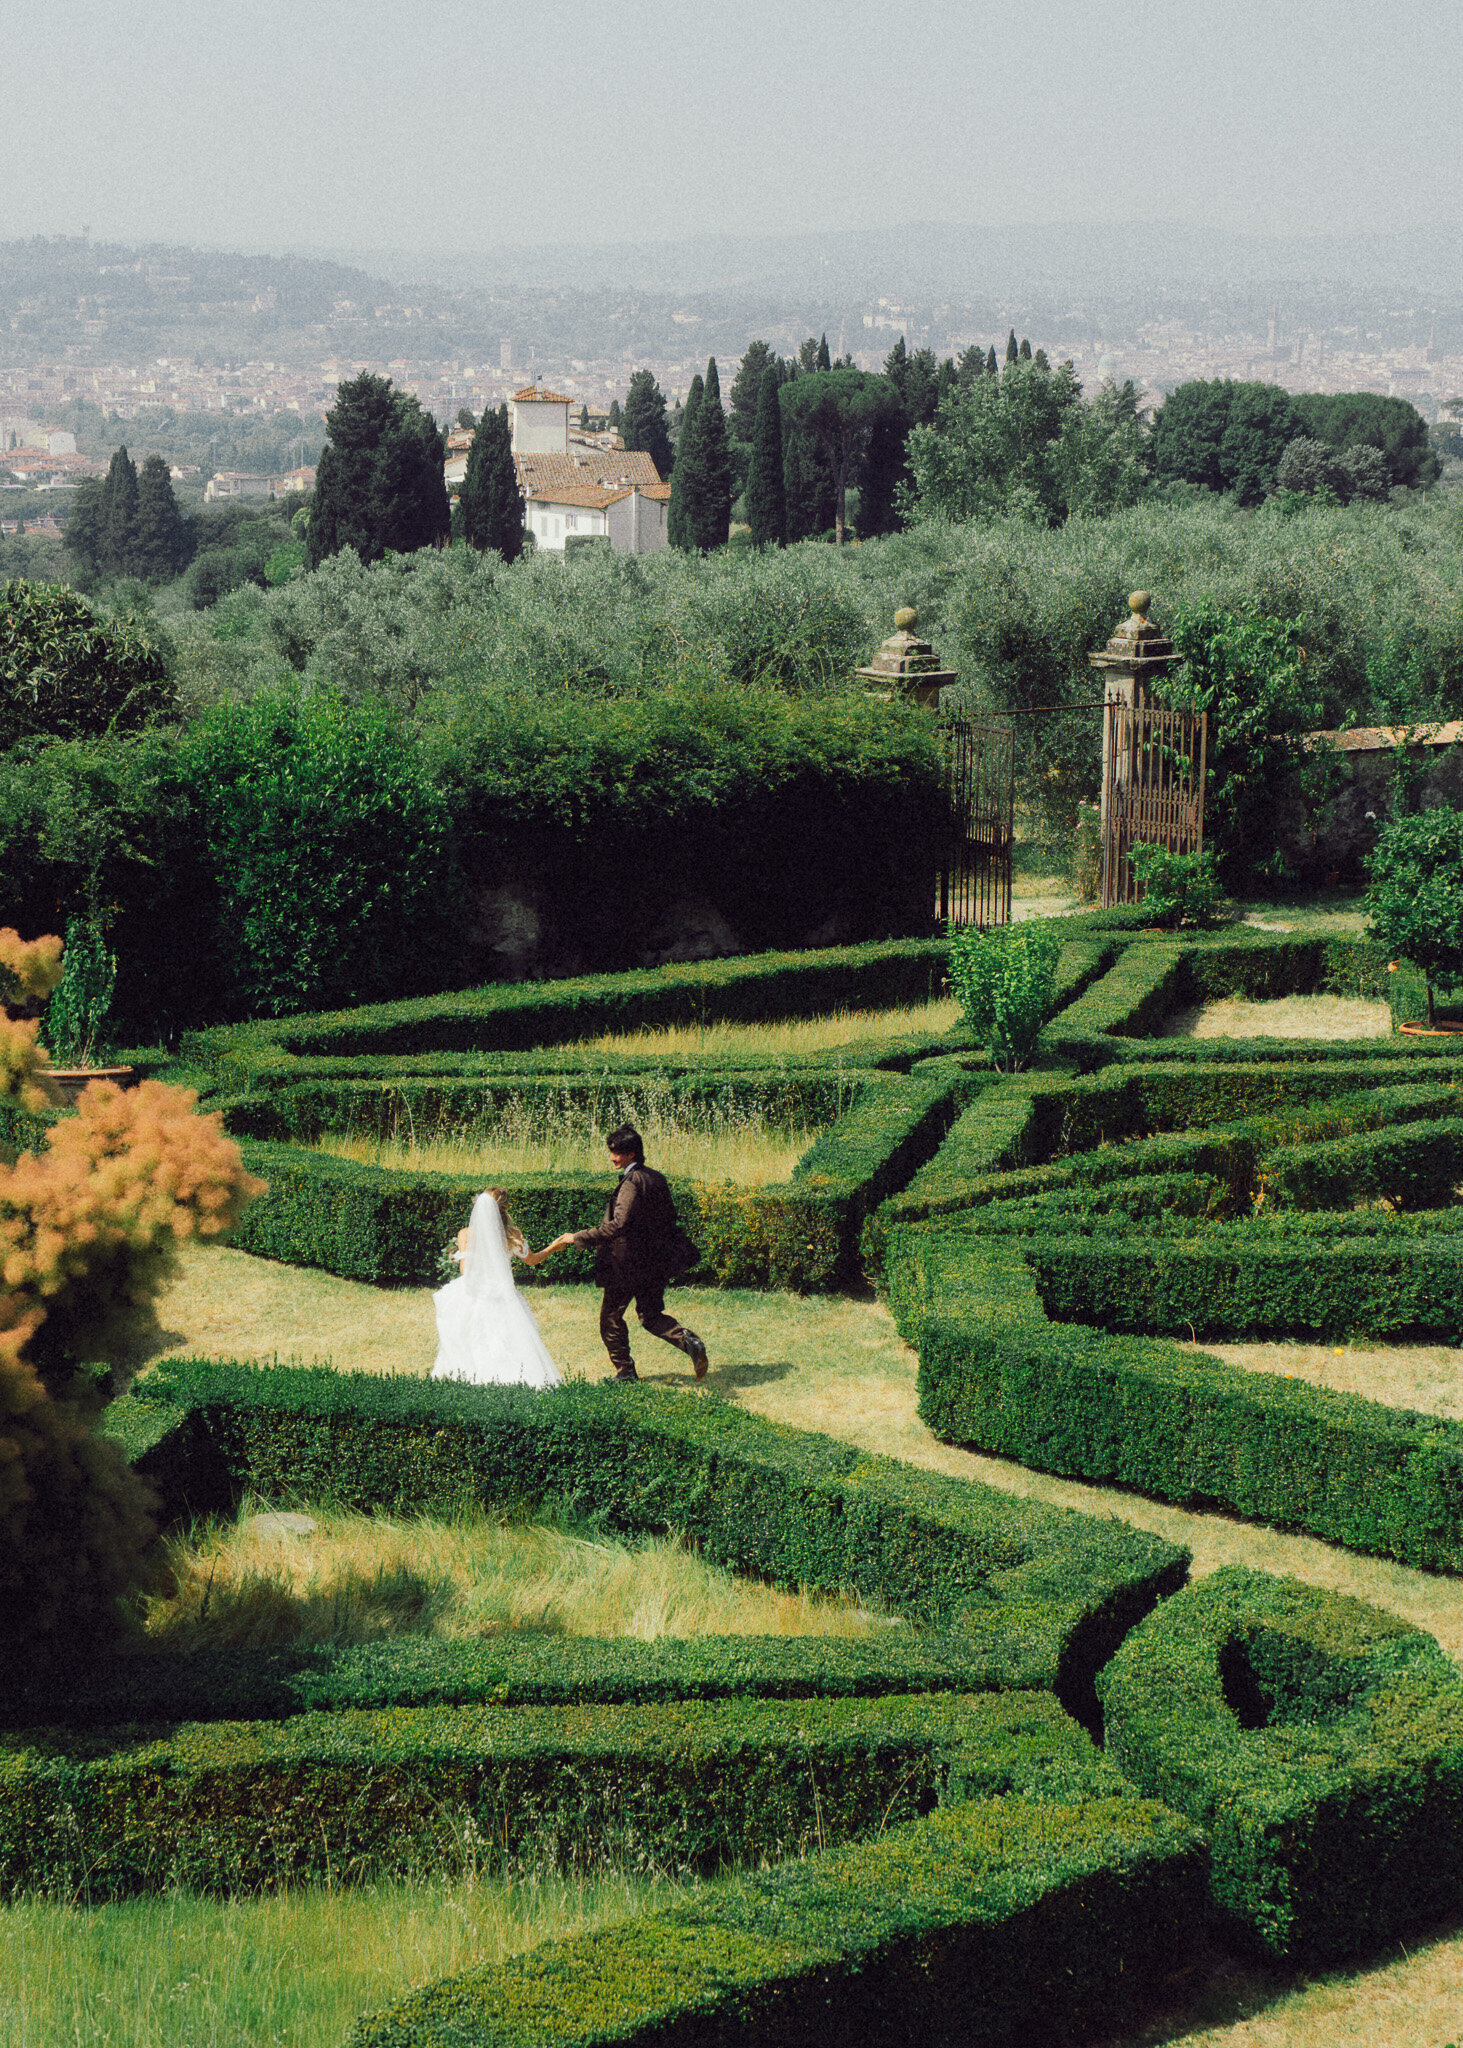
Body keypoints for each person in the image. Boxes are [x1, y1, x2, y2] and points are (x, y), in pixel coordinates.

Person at [535, 1124, 708, 1383]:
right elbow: (668, 1219)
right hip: (655, 1261)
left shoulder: (632, 1181)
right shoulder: (656, 1177)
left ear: (631, 1154)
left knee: (610, 1318)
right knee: (650, 1315)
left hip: (626, 1265)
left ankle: (625, 1372)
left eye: (616, 1153)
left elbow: (618, 1225)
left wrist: (577, 1237)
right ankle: (688, 1340)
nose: (612, 1158)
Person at [430, 1187, 563, 1388]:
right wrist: (554, 1246)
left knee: (469, 1339)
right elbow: (532, 1260)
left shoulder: (465, 1234)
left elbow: (466, 1271)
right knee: (508, 1340)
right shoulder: (512, 1234)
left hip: (475, 1293)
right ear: (504, 1208)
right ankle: (510, 1380)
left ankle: (470, 1379)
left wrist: (461, 1257)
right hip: (503, 1293)